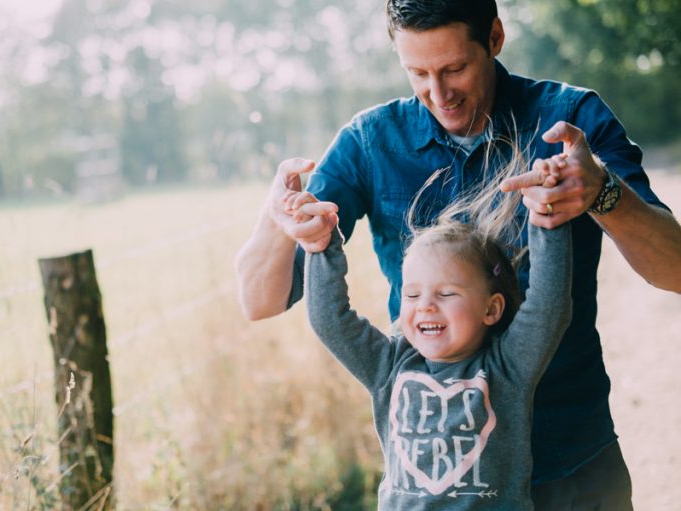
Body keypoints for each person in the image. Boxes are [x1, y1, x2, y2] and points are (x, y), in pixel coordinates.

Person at [235, 0, 681, 508]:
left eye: (455, 68)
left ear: (494, 37)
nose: (438, 94)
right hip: (444, 493)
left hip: (574, 467)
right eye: (417, 72)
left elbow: (676, 270)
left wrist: (603, 191)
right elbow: (258, 301)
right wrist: (279, 215)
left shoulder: (571, 119)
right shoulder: (369, 142)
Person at [297, 150, 571, 509]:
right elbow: (330, 320)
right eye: (411, 294)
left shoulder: (509, 368)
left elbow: (549, 306)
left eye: (445, 293)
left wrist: (548, 220)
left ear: (491, 308)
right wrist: (321, 249)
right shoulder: (389, 366)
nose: (425, 305)